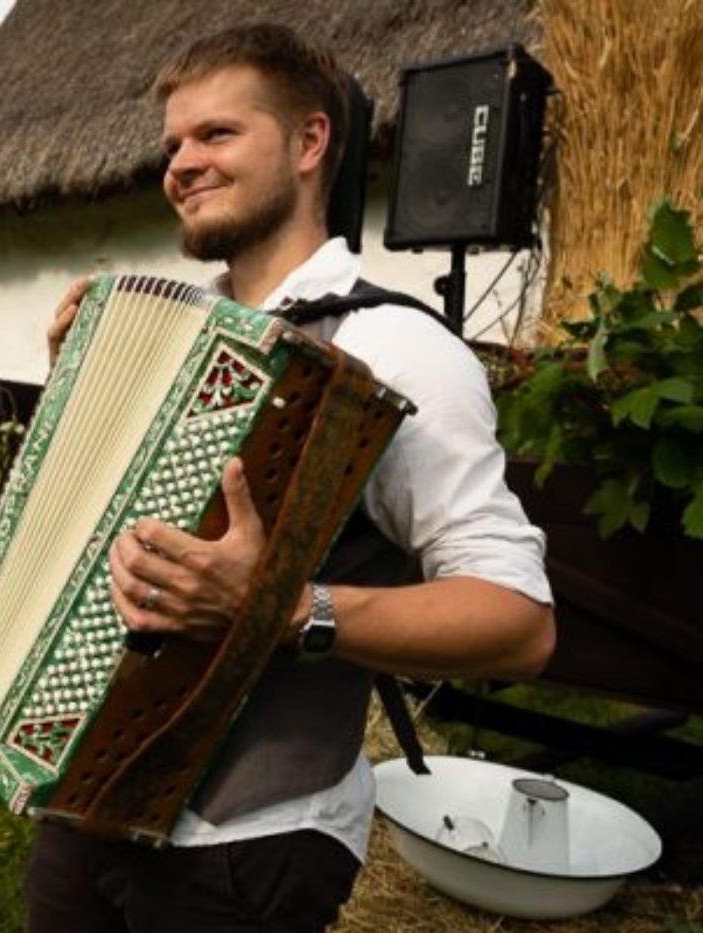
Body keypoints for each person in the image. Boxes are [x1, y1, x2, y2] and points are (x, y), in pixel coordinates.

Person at [28, 23, 556, 933]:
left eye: (217, 135)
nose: (182, 163)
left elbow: (520, 623)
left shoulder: (398, 348)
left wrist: (281, 606)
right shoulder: (163, 331)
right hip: (84, 796)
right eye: (173, 145)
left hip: (246, 847)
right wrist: (83, 398)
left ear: (311, 143)